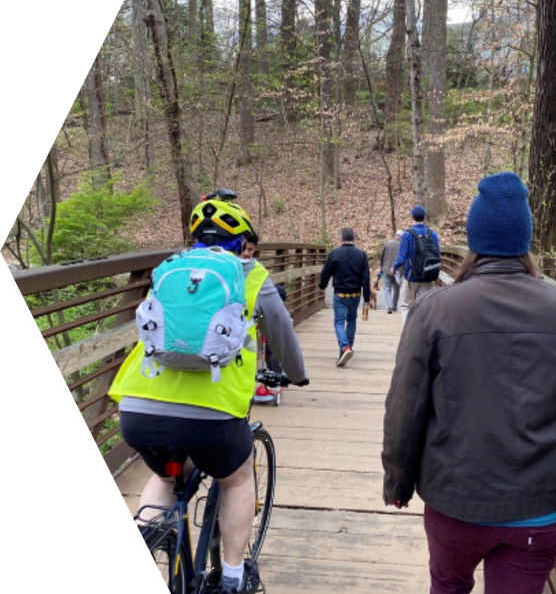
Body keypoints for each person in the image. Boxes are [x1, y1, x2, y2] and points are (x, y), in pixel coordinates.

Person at [382, 171, 556, 594]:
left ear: (474, 242)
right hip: (538, 501)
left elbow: (405, 405)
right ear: (524, 241)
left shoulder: (436, 309)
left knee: (449, 584)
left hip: (458, 500)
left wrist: (398, 481)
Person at [109, 195, 309, 594]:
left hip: (137, 407)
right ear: (242, 243)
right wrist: (296, 375)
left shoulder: (168, 270)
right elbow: (282, 332)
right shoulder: (250, 274)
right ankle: (233, 579)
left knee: (165, 476)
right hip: (212, 416)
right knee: (236, 479)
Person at [319, 227, 370, 367]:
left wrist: (322, 286)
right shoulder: (361, 255)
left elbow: (326, 272)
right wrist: (367, 297)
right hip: (355, 294)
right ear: (354, 238)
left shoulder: (334, 253)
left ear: (341, 238)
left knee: (339, 322)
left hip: (340, 293)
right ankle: (348, 348)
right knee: (352, 320)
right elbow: (366, 277)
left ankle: (344, 347)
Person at [391, 205, 440, 324]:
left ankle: (409, 332)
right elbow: (437, 255)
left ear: (412, 217)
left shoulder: (407, 234)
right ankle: (424, 334)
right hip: (427, 275)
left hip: (411, 276)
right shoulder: (432, 234)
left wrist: (394, 267)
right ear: (424, 217)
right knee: (425, 307)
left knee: (407, 306)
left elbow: (401, 257)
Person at [254, 283, 287, 403]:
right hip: (267, 337)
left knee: (275, 359)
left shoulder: (282, 314)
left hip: (278, 339)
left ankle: (277, 379)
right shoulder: (264, 310)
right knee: (267, 358)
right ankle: (270, 377)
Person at [380, 230, 402, 313]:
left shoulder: (387, 243)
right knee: (397, 289)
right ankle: (394, 306)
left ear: (395, 235)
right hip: (398, 271)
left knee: (387, 288)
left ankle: (389, 306)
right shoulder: (403, 245)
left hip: (387, 269)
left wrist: (382, 267)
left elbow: (382, 256)